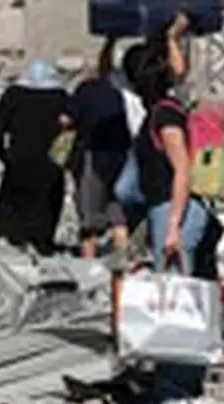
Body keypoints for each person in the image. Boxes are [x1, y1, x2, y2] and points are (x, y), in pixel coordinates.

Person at [132, 12, 211, 277]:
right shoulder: (167, 107)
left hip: (173, 210)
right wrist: (171, 38)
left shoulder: (165, 118)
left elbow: (182, 170)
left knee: (173, 284)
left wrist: (173, 226)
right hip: (168, 208)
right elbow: (178, 71)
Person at [61, 38, 135, 263]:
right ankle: (121, 259)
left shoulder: (86, 89)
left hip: (94, 153)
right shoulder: (128, 89)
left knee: (89, 216)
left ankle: (89, 263)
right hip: (124, 154)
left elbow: (66, 120)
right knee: (118, 213)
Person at [0, 60, 68, 255]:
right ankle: (42, 242)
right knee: (47, 202)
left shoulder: (14, 95)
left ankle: (15, 239)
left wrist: (2, 154)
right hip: (50, 159)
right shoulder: (60, 97)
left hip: (19, 157)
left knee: (14, 202)